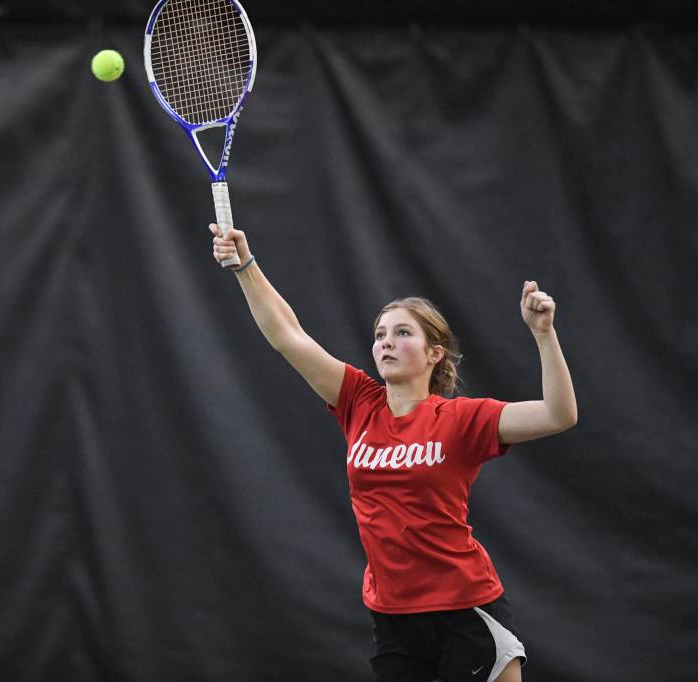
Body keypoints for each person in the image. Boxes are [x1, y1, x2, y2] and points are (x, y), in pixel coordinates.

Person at [209, 224, 577, 682]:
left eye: (402, 333)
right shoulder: (358, 402)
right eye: (380, 333)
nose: (385, 341)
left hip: (466, 609)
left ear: (434, 353)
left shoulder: (462, 419)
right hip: (393, 616)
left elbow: (558, 415)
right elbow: (288, 334)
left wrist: (544, 336)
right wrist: (245, 266)